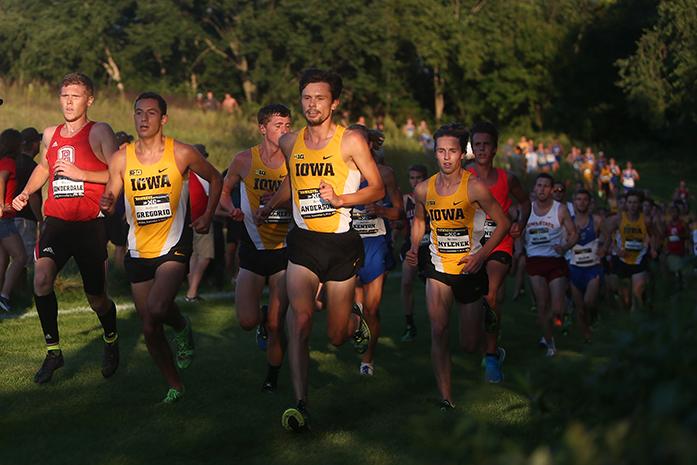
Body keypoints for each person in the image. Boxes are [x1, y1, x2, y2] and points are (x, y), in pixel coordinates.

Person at [255, 69, 383, 431]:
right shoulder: (290, 142)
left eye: (320, 98)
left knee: (336, 336)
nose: (312, 104)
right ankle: (301, 403)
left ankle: (355, 321)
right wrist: (271, 206)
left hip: (341, 244)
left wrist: (342, 199)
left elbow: (375, 188)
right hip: (304, 241)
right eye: (307, 97)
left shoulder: (351, 142)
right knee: (301, 319)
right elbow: (292, 184)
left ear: (334, 103)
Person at [100, 92, 222, 403]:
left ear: (163, 119)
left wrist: (207, 214)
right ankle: (175, 384)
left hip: (174, 244)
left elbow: (215, 178)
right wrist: (106, 203)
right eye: (138, 113)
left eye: (151, 113)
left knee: (156, 309)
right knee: (150, 325)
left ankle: (181, 327)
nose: (143, 119)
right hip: (139, 249)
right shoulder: (121, 158)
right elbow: (111, 195)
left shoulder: (181, 153)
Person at [12, 73, 120, 384]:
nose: (69, 102)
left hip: (89, 224)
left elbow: (117, 173)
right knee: (42, 279)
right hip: (57, 221)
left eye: (75, 96)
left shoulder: (99, 131)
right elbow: (44, 169)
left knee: (96, 298)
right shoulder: (50, 134)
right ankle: (53, 352)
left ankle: (111, 339)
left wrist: (80, 172)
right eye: (64, 95)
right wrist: (25, 192)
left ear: (90, 100)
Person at [406, 123, 510, 409]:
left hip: (469, 268)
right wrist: (415, 247)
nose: (446, 157)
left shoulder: (475, 186)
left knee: (468, 344)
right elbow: (418, 220)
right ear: (435, 153)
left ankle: (488, 328)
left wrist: (481, 256)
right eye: (441, 151)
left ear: (462, 154)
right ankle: (446, 399)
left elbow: (503, 223)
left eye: (452, 151)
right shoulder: (424, 189)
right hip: (438, 267)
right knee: (438, 330)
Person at [219, 103, 293, 392]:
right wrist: (232, 209)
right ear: (263, 128)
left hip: (285, 250)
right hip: (252, 248)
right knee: (248, 321)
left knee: (278, 324)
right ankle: (262, 317)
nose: (284, 131)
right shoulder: (243, 160)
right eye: (278, 126)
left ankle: (271, 379)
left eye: (288, 126)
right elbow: (225, 192)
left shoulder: (294, 160)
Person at [467, 122, 531, 383]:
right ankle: (488, 344)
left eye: (486, 144)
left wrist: (519, 223)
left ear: (494, 148)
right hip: (471, 243)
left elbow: (525, 202)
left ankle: (492, 356)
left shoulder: (507, 178)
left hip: (500, 241)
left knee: (491, 295)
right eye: (477, 144)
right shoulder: (463, 176)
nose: (482, 149)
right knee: (477, 304)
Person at [349, 125, 403, 376]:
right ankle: (357, 326)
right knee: (355, 309)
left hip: (376, 244)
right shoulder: (340, 173)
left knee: (372, 308)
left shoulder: (385, 173)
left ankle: (366, 361)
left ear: (369, 145)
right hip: (347, 245)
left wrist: (381, 210)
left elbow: (398, 212)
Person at [524, 173, 578, 357]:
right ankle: (550, 344)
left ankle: (558, 320)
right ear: (534, 188)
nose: (542, 189)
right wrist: (518, 247)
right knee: (542, 304)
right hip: (535, 260)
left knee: (557, 309)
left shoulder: (560, 209)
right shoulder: (527, 209)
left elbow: (574, 234)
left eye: (546, 186)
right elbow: (516, 231)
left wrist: (565, 246)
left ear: (552, 189)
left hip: (555, 261)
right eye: (539, 185)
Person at [603, 190, 654, 312]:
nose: (632, 205)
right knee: (625, 298)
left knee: (637, 296)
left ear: (640, 204)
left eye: (635, 202)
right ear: (626, 204)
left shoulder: (646, 220)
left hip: (639, 259)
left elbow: (654, 235)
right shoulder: (618, 219)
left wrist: (653, 248)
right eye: (630, 202)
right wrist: (614, 249)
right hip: (622, 259)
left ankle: (637, 324)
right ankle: (623, 320)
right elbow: (607, 234)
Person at [566, 189, 606, 342]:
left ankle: (594, 315)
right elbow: (563, 241)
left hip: (592, 268)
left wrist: (604, 248)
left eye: (585, 199)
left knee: (589, 302)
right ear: (574, 202)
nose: (581, 202)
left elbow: (607, 236)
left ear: (589, 203)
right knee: (580, 307)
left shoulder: (596, 220)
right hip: (574, 268)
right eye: (578, 199)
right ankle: (586, 335)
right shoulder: (568, 221)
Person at [399, 164, 429, 341]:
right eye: (412, 178)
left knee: (432, 288)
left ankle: (438, 321)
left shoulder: (433, 195)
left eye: (418, 177)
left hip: (430, 246)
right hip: (412, 246)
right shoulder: (406, 200)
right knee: (406, 283)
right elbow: (401, 221)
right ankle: (410, 325)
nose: (415, 181)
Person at [0, 129, 28, 311]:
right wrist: (1, 204)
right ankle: (4, 296)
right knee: (20, 257)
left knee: (2, 260)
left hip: (5, 218)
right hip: (5, 219)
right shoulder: (8, 162)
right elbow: (1, 179)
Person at [185, 143, 217, 301]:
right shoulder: (202, 175)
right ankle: (192, 292)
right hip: (201, 218)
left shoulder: (186, 174)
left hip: (188, 219)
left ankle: (191, 291)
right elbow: (213, 193)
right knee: (205, 255)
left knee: (195, 255)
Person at [14, 128, 43, 267]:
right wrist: (40, 219)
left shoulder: (12, 162)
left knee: (12, 258)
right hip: (25, 217)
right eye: (38, 141)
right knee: (24, 259)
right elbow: (33, 197)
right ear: (34, 144)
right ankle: (18, 288)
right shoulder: (33, 167)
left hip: (8, 216)